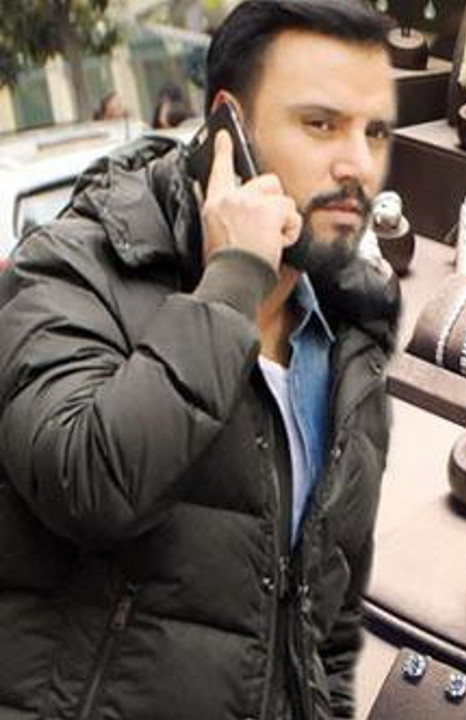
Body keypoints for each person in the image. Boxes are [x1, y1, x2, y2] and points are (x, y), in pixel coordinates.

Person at [0, 1, 400, 718]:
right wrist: (233, 282)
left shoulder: (351, 343)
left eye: (373, 132)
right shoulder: (73, 266)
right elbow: (87, 482)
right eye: (320, 124)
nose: (359, 166)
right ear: (228, 129)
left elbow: (327, 627)